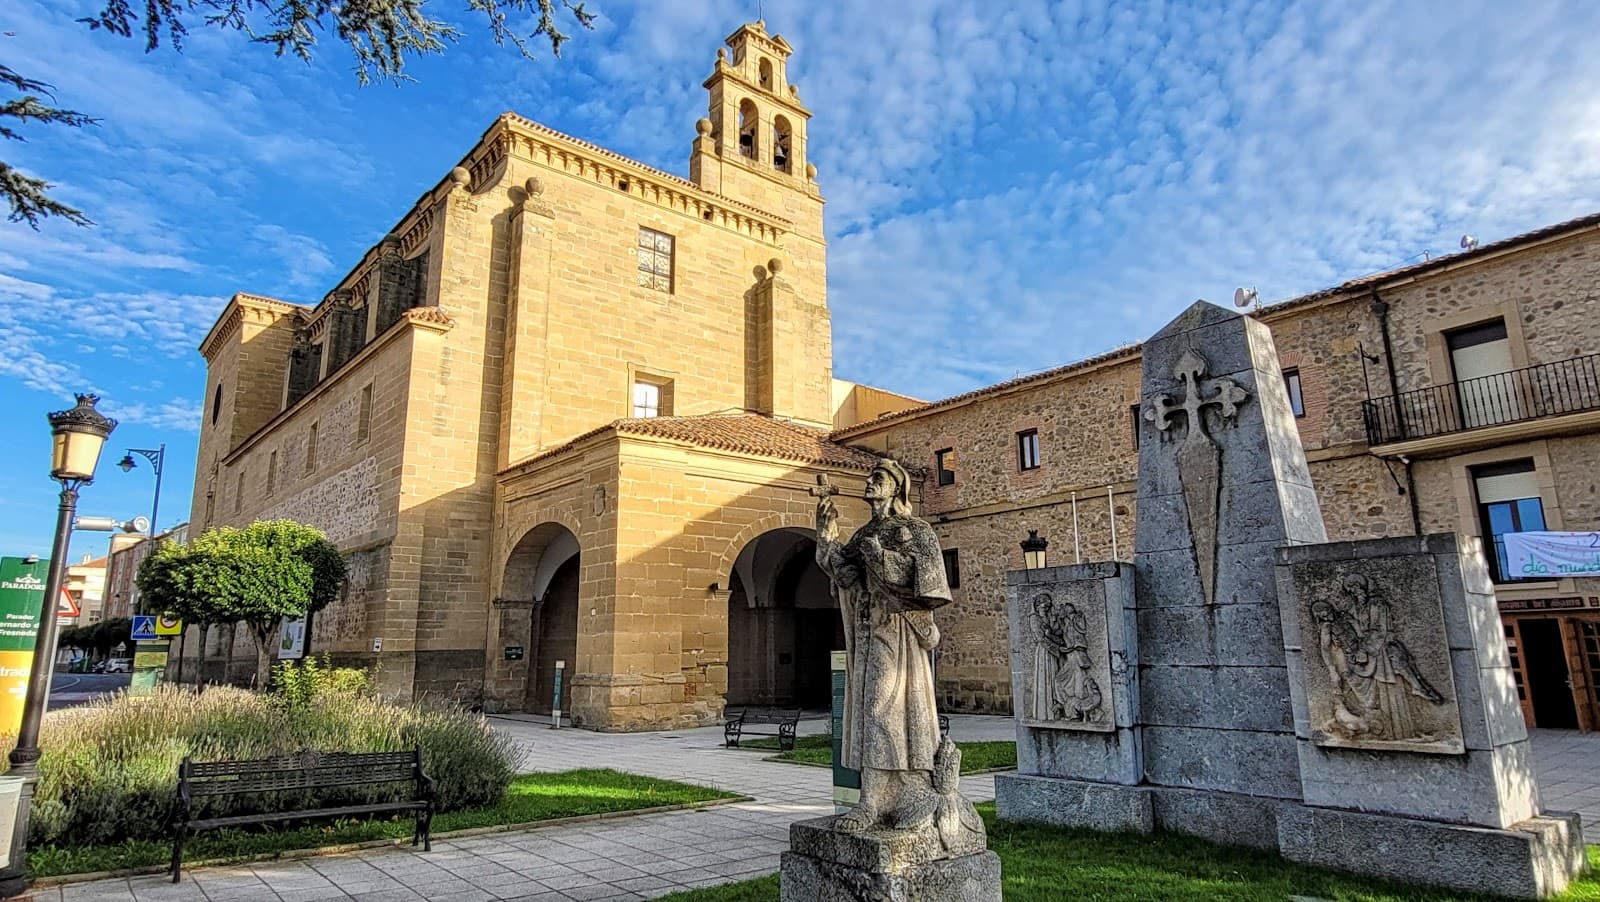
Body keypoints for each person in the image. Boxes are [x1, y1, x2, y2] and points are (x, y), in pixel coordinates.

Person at [815, 459, 952, 833]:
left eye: (879, 478)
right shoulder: (862, 535)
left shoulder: (915, 530)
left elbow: (930, 582)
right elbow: (845, 575)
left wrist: (882, 558)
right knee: (869, 710)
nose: (870, 482)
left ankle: (878, 800)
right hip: (869, 631)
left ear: (896, 487)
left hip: (900, 630)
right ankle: (877, 797)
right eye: (870, 477)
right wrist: (827, 537)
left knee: (881, 707)